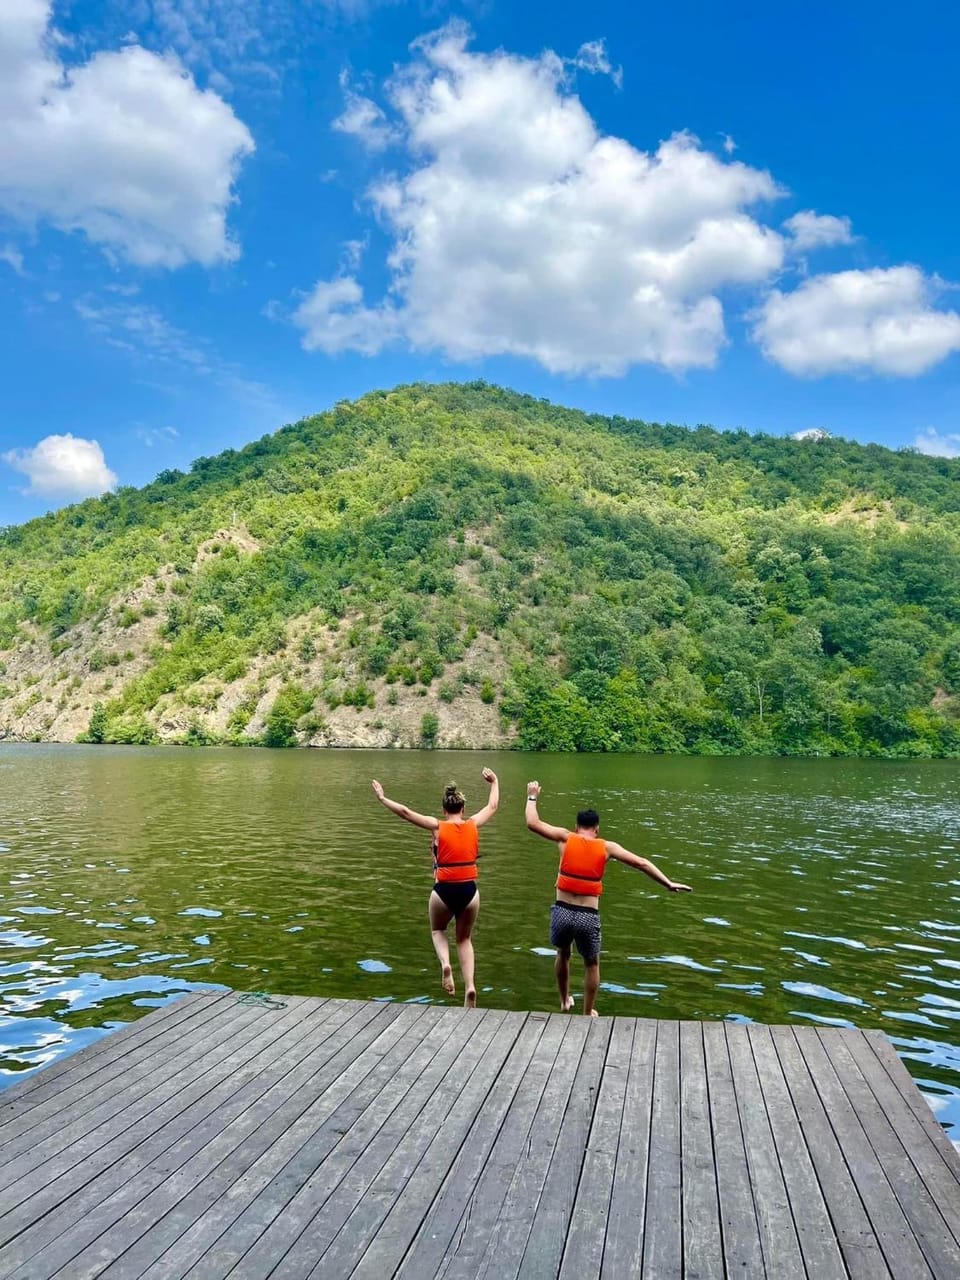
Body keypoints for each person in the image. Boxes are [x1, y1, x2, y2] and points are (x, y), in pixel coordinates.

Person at [524, 780, 691, 1017]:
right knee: (592, 964)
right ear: (597, 828)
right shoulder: (606, 847)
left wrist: (532, 796)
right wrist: (668, 883)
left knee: (563, 954)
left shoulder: (564, 837)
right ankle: (587, 1011)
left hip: (562, 911)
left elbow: (532, 822)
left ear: (576, 826)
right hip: (587, 916)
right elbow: (641, 863)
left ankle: (563, 1000)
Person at [371, 768, 499, 1008]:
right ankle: (470, 986)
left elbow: (406, 813)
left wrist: (382, 798)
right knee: (464, 939)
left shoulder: (437, 826)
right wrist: (494, 782)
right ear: (463, 809)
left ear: (444, 810)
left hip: (444, 890)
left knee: (438, 931)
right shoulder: (473, 824)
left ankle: (445, 965)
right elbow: (492, 806)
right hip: (470, 891)